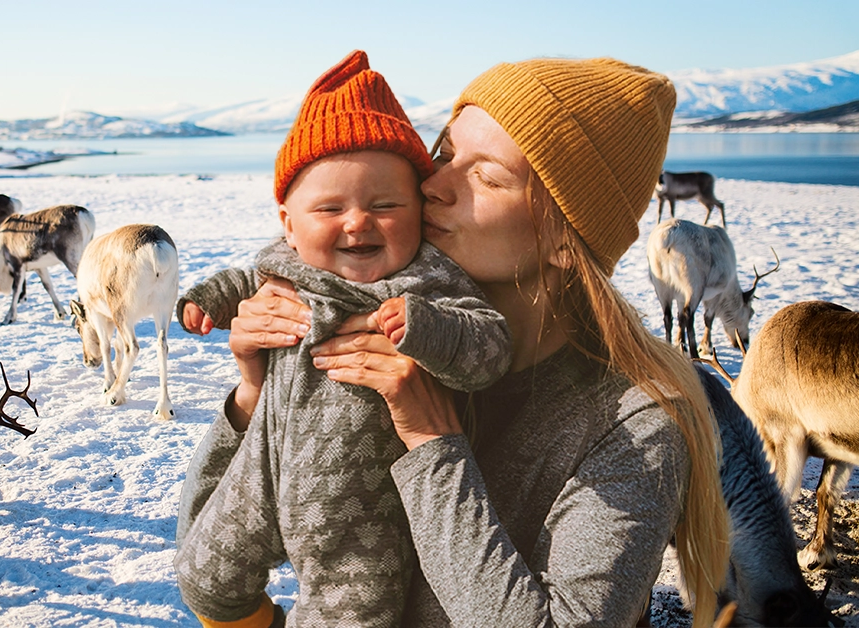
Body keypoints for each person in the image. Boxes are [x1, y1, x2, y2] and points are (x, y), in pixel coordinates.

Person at [177, 56, 730, 627]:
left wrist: (432, 443)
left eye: (486, 176)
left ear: (567, 239)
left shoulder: (634, 426)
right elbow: (206, 569)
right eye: (443, 154)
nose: (433, 185)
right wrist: (254, 395)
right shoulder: (365, 320)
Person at [173, 50, 512, 628]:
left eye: (385, 206)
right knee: (204, 580)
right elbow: (239, 281)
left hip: (359, 510)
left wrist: (428, 328)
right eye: (330, 207)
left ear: (420, 211)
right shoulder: (283, 265)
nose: (358, 222)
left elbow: (490, 348)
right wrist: (203, 302)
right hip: (260, 471)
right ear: (288, 222)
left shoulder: (427, 279)